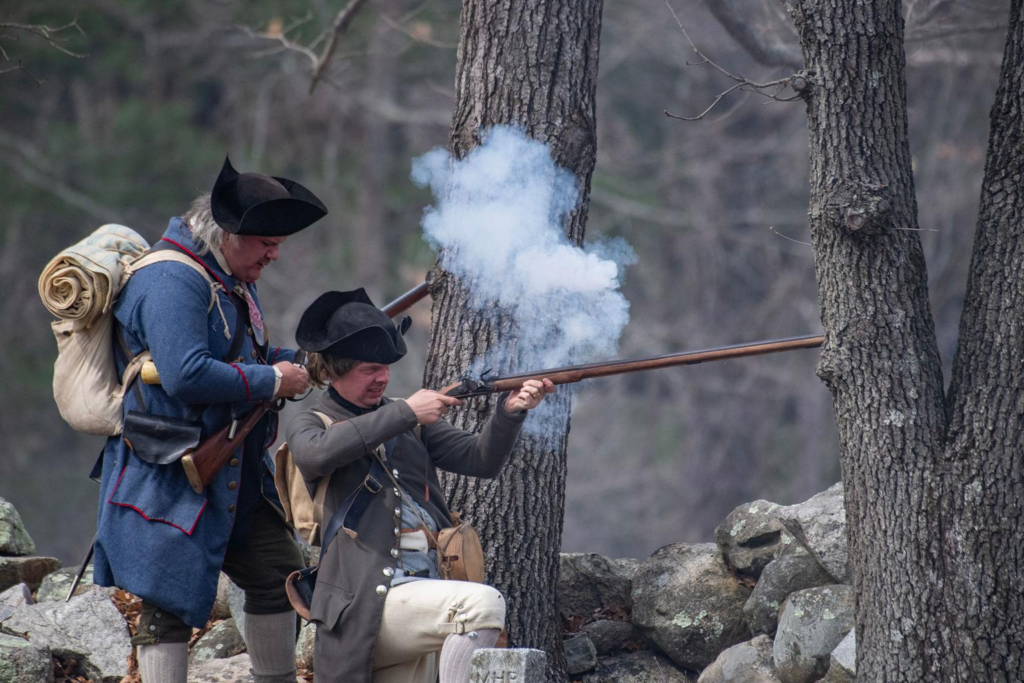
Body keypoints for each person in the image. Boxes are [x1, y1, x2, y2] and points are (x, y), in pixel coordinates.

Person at [92, 157, 326, 683]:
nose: (274, 252)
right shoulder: (174, 279)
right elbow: (186, 374)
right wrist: (271, 382)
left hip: (234, 468)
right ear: (226, 233)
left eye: (277, 241)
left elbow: (247, 353)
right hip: (172, 469)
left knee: (275, 576)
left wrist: (317, 359)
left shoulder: (230, 277)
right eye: (265, 240)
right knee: (167, 600)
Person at [285, 288, 554, 683]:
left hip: (423, 590)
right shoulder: (313, 422)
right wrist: (406, 411)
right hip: (366, 601)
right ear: (335, 372)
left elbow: (481, 459)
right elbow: (315, 455)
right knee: (482, 606)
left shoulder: (406, 420)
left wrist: (510, 413)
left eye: (386, 367)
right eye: (369, 369)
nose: (383, 377)